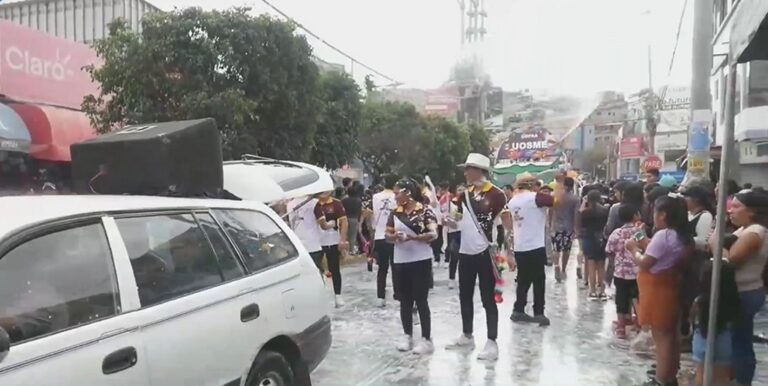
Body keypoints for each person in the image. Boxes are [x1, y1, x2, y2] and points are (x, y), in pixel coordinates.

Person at [445, 153, 512, 361]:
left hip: (486, 253)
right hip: (465, 252)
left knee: (488, 298)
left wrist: (510, 251)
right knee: (464, 295)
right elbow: (457, 220)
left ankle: (492, 342)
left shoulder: (497, 194)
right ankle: (467, 334)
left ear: (479, 170)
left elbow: (507, 223)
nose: (465, 173)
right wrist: (449, 222)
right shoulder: (463, 194)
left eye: (468, 168)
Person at [626, 195, 692, 386]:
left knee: (661, 338)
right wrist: (640, 237)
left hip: (656, 290)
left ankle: (662, 379)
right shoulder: (680, 235)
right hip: (670, 287)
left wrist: (632, 249)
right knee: (670, 335)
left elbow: (646, 262)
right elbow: (654, 249)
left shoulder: (663, 235)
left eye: (654, 211)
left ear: (662, 215)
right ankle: (670, 372)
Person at [711, 190, 768, 385]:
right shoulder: (745, 229)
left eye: (736, 207)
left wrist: (715, 242)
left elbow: (732, 259)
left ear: (752, 211)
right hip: (742, 290)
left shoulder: (755, 232)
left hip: (745, 292)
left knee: (740, 342)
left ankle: (742, 381)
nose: (730, 211)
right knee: (738, 339)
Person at [385, 178, 438, 355]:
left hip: (420, 260)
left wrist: (412, 238)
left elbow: (433, 234)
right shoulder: (395, 213)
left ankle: (426, 338)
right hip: (400, 261)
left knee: (421, 300)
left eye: (397, 193)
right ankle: (407, 335)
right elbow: (387, 234)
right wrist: (394, 238)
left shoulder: (425, 211)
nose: (395, 196)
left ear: (407, 192)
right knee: (404, 301)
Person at [508, 173, 555, 326]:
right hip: (535, 245)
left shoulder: (513, 200)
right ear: (531, 185)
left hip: (520, 246)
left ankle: (519, 309)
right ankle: (539, 312)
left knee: (523, 279)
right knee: (538, 280)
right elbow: (553, 201)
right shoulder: (534, 198)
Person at [690, 260, 740, 386]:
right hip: (724, 339)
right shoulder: (733, 302)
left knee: (701, 376)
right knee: (722, 378)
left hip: (702, 336)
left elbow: (692, 318)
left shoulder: (700, 301)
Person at [680, 185, 715, 347]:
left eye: (687, 198)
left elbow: (704, 242)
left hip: (697, 262)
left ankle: (694, 335)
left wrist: (684, 240)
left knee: (693, 296)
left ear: (696, 200)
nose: (685, 201)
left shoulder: (705, 216)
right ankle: (685, 333)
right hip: (684, 261)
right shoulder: (687, 215)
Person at [604, 204, 642, 338]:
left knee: (621, 299)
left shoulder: (616, 233)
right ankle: (639, 324)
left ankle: (621, 328)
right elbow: (645, 246)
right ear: (635, 216)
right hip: (637, 272)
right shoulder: (638, 232)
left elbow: (609, 250)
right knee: (637, 298)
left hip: (620, 272)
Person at [366, 174, 398, 307]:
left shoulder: (375, 197)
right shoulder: (397, 197)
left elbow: (369, 213)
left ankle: (381, 296)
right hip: (393, 236)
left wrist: (371, 228)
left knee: (382, 268)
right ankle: (398, 294)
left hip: (379, 236)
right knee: (396, 267)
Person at [315, 191, 350, 307]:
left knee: (334, 268)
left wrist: (343, 240)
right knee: (317, 270)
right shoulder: (313, 203)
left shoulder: (336, 203)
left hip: (332, 240)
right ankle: (320, 295)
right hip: (315, 242)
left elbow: (344, 221)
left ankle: (338, 295)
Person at [579, 189, 609, 299]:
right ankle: (602, 291)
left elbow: (580, 217)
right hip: (601, 238)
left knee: (591, 264)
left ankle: (592, 291)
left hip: (589, 237)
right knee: (601, 265)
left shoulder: (586, 212)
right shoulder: (605, 210)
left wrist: (583, 202)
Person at [551, 177, 579, 283]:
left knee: (556, 249)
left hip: (556, 226)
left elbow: (550, 211)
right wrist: (576, 228)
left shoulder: (555, 197)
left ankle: (556, 266)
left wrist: (550, 224)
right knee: (566, 250)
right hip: (569, 227)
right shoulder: (575, 198)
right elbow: (576, 214)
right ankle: (563, 270)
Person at [288, 195, 325, 273]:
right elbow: (323, 224)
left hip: (298, 243)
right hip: (314, 243)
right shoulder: (315, 203)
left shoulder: (289, 204)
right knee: (317, 270)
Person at [446, 184, 465, 289]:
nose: (461, 191)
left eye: (463, 189)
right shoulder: (451, 203)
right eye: (459, 189)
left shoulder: (469, 203)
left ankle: (464, 278)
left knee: (465, 258)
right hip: (455, 232)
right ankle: (451, 278)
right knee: (454, 256)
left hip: (466, 232)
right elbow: (448, 218)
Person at [342, 184, 363, 255]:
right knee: (353, 235)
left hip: (345, 219)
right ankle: (351, 250)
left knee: (345, 234)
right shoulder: (358, 201)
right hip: (354, 219)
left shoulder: (344, 200)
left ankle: (345, 250)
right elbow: (360, 211)